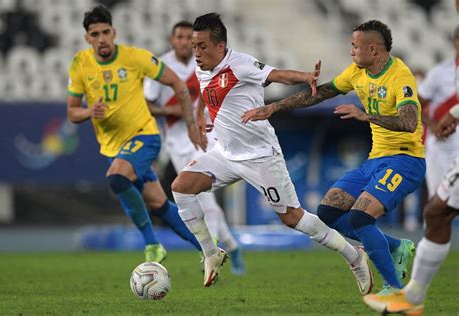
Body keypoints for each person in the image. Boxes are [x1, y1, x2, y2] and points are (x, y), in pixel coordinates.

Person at [171, 12, 373, 292]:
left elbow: (277, 75)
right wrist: (200, 119)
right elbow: (204, 97)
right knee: (181, 187)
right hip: (225, 154)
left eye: (202, 46)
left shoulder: (240, 64)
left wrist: (305, 76)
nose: (196, 52)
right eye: (194, 46)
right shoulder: (202, 68)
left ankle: (354, 256)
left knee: (293, 218)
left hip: (260, 156)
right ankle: (210, 253)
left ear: (220, 46)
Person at [242, 20, 424, 294]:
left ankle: (395, 290)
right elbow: (323, 92)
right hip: (375, 160)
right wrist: (275, 107)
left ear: (373, 50)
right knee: (328, 212)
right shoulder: (356, 72)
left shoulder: (400, 76)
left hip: (406, 159)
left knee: (361, 217)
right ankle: (397, 247)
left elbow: (410, 122)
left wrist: (366, 116)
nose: (351, 51)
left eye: (355, 46)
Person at [66, 5, 204, 263]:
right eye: (95, 34)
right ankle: (209, 248)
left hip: (145, 136)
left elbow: (177, 82)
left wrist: (190, 122)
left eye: (105, 32)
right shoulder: (80, 64)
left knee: (117, 179)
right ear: (87, 38)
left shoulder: (135, 58)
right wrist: (89, 112)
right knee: (159, 205)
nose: (102, 38)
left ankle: (152, 244)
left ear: (114, 32)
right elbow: (72, 113)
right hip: (112, 147)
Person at [144, 21, 245, 275]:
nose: (183, 41)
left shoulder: (207, 61)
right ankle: (231, 247)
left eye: (188, 37)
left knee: (205, 197)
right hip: (177, 143)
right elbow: (146, 105)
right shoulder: (160, 67)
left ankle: (211, 254)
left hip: (208, 136)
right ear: (172, 39)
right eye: (179, 36)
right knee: (200, 197)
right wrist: (173, 110)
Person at [362, 104, 459, 315]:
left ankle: (412, 297)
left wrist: (452, 114)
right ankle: (412, 296)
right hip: (431, 149)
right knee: (436, 212)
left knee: (436, 212)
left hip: (420, 154)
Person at [418, 27, 459, 198]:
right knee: (437, 202)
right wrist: (433, 125)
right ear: (455, 42)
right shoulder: (439, 72)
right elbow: (413, 105)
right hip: (443, 145)